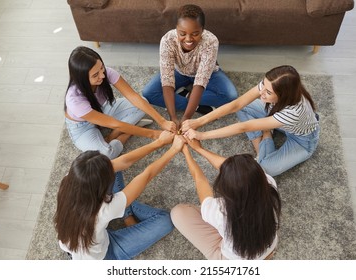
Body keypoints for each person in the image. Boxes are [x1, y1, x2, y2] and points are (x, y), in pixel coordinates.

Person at [54, 131, 186, 260]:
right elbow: (147, 175)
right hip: (103, 256)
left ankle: (124, 205)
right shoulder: (104, 210)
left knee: (115, 172)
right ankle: (125, 210)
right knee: (166, 220)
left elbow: (122, 162)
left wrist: (159, 143)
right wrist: (173, 150)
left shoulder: (69, 180)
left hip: (81, 242)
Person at [182, 65, 320, 176]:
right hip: (278, 118)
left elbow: (244, 127)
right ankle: (263, 140)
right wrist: (198, 122)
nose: (262, 93)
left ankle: (266, 133)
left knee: (265, 169)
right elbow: (236, 104)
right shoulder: (271, 85)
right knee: (242, 107)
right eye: (263, 86)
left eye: (268, 93)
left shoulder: (294, 111)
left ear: (284, 95)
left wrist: (202, 135)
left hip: (301, 140)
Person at [171, 139, 281, 260]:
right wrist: (199, 149)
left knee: (178, 213)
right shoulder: (269, 185)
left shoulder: (219, 210)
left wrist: (186, 151)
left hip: (232, 259)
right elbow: (237, 172)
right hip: (267, 248)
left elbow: (200, 179)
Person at [64, 46, 177, 159]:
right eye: (95, 75)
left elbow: (133, 96)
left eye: (101, 68)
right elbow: (115, 123)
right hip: (83, 127)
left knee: (143, 103)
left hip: (102, 109)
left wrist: (162, 121)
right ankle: (127, 132)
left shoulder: (105, 72)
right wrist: (154, 134)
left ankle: (116, 133)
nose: (102, 75)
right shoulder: (74, 99)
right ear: (82, 79)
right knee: (105, 156)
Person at [142, 4, 238, 129]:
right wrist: (173, 117)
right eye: (182, 33)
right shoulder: (167, 40)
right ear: (176, 29)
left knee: (231, 96)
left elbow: (200, 81)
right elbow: (167, 79)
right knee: (148, 93)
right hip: (179, 72)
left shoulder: (211, 41)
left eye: (195, 33)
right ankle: (198, 106)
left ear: (202, 30)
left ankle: (185, 95)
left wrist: (186, 117)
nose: (188, 39)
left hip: (209, 73)